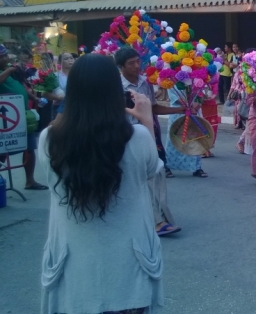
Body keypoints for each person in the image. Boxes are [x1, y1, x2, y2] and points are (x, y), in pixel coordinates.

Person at [39, 53, 164, 314]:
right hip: (128, 275)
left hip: (74, 276)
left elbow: (46, 181)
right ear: (114, 91)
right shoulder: (137, 137)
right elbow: (152, 170)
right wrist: (147, 120)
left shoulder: (50, 139)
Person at [117, 47, 183, 235]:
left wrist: (179, 110)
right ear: (121, 66)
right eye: (131, 63)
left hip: (147, 134)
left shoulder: (145, 83)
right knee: (140, 178)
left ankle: (159, 219)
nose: (137, 66)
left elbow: (153, 108)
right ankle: (156, 221)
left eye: (138, 61)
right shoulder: (116, 86)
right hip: (125, 136)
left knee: (155, 175)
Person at [0, 45, 47, 190]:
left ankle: (30, 180)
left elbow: (22, 88)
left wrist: (36, 98)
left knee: (29, 147)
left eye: (6, 55)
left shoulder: (11, 71)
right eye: (3, 56)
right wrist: (9, 70)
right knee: (2, 150)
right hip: (6, 118)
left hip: (23, 114)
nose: (6, 58)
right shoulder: (7, 71)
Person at [164, 87, 208, 178]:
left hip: (194, 110)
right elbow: (174, 96)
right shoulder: (171, 77)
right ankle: (167, 166)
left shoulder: (196, 76)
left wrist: (197, 103)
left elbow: (201, 91)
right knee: (174, 139)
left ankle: (197, 167)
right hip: (178, 111)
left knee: (196, 138)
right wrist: (188, 105)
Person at [53, 52, 74, 119]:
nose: (70, 60)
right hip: (59, 107)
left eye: (71, 58)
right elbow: (45, 93)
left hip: (75, 107)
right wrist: (59, 98)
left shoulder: (78, 75)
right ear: (59, 62)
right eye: (66, 58)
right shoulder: (55, 76)